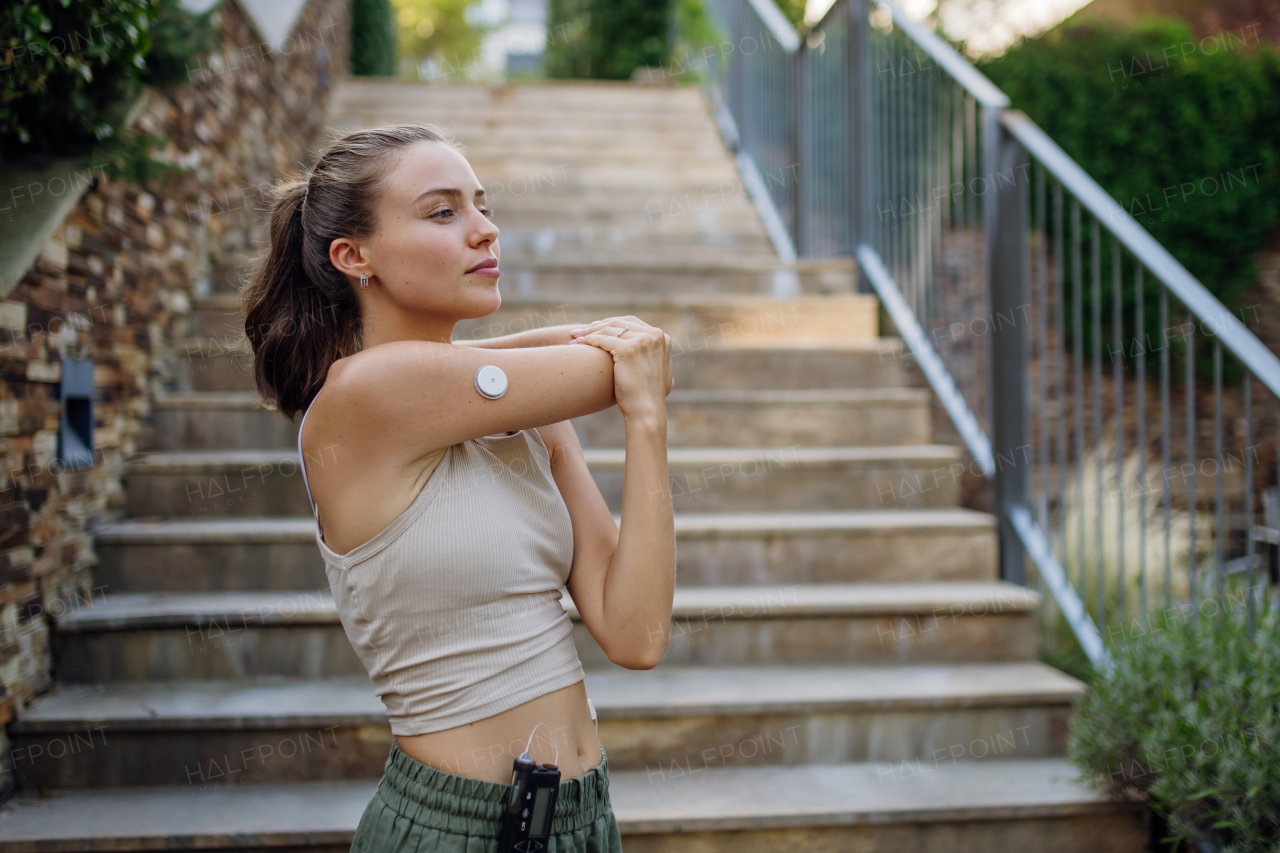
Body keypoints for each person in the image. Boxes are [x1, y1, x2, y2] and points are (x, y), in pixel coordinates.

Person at [242, 123, 676, 852]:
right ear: (354, 257)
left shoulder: (522, 417)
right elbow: (613, 361)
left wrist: (648, 426)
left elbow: (636, 634)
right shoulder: (363, 394)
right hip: (455, 829)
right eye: (443, 212)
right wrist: (634, 378)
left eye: (482, 205)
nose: (485, 231)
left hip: (582, 822)